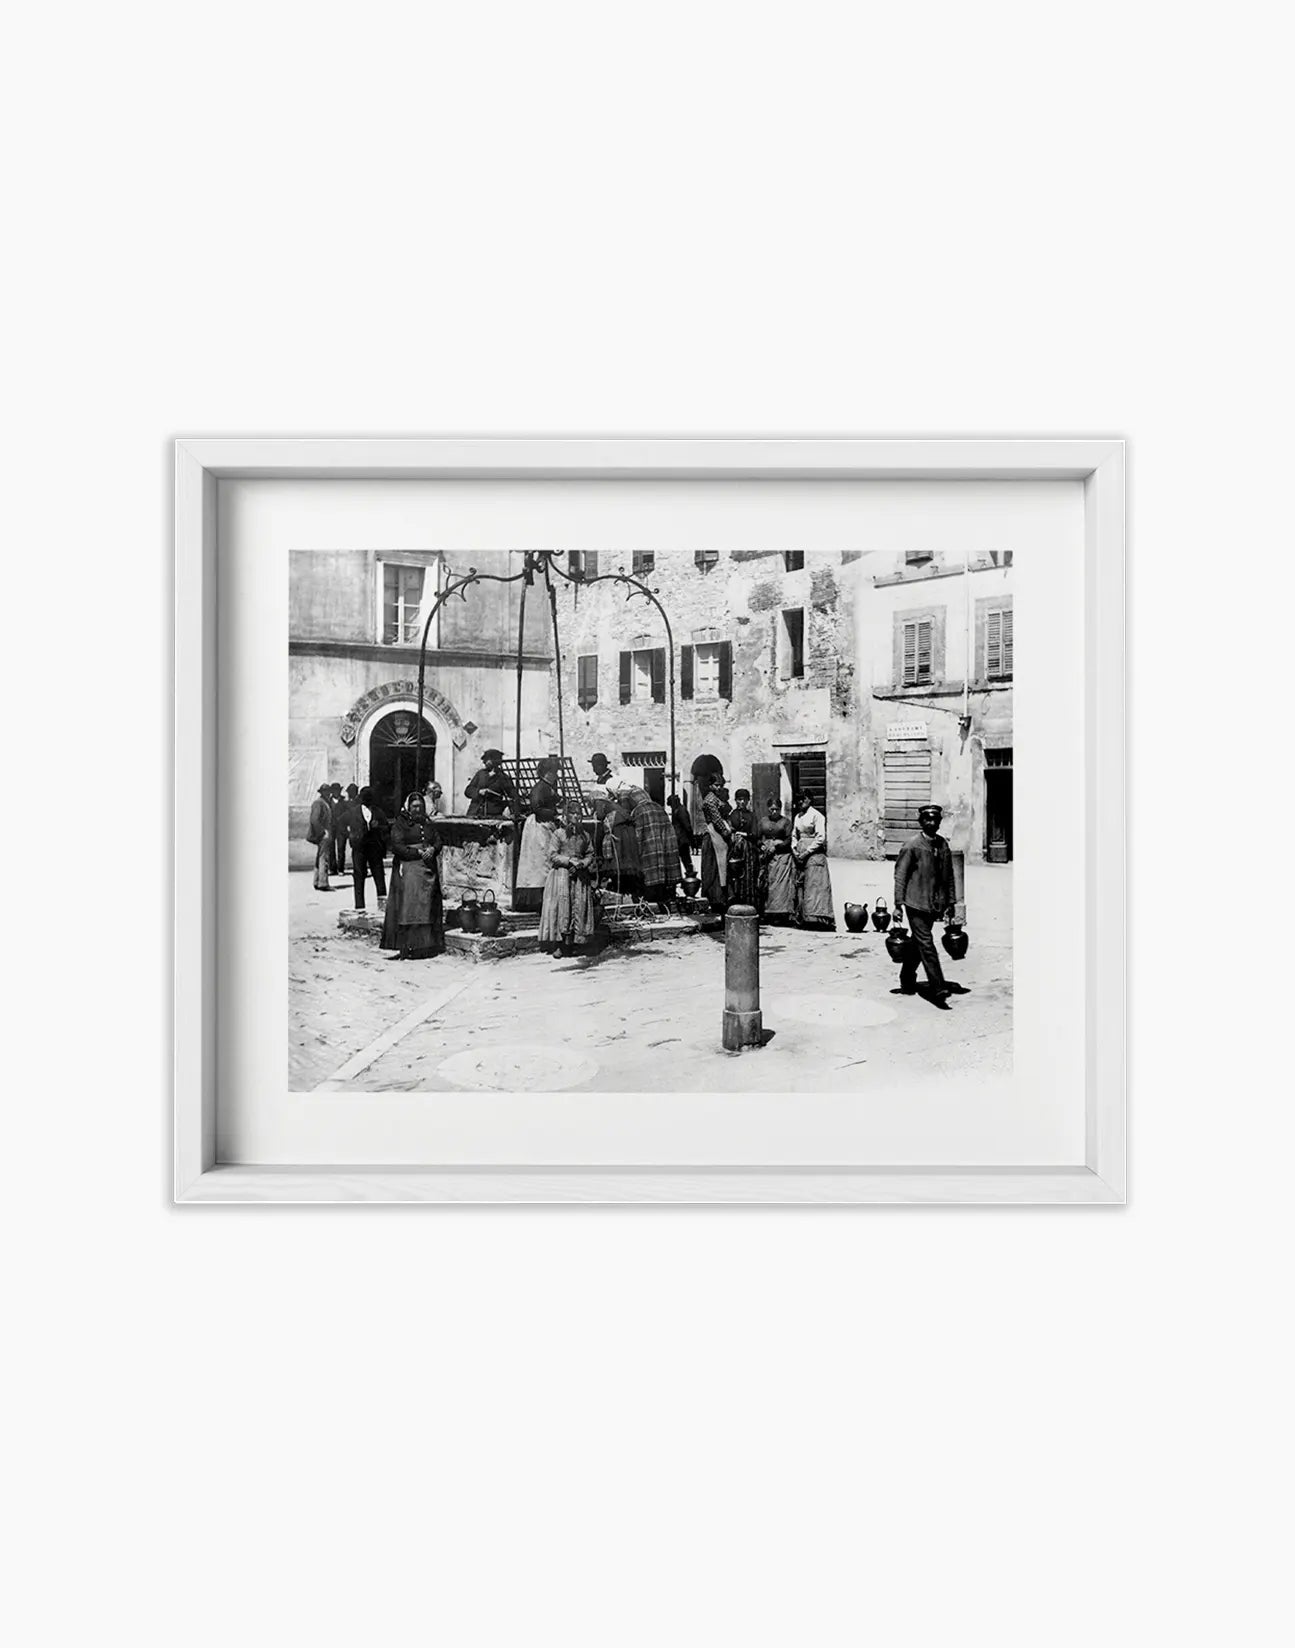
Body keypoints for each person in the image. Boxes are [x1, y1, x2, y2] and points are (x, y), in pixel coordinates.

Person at [893, 802, 956, 1008]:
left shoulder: (942, 845)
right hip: (915, 902)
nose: (931, 822)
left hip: (934, 904)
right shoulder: (912, 845)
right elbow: (900, 875)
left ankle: (907, 977)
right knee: (927, 943)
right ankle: (938, 988)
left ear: (939, 822)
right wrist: (897, 904)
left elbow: (949, 877)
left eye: (935, 819)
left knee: (918, 943)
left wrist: (951, 902)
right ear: (921, 822)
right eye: (927, 819)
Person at [380, 792, 445, 960]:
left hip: (428, 871)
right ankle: (407, 947)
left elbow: (438, 841)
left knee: (427, 907)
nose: (418, 809)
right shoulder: (400, 824)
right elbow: (397, 846)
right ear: (408, 807)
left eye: (421, 806)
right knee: (410, 909)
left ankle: (425, 946)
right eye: (415, 806)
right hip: (408, 869)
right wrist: (417, 852)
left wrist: (433, 849)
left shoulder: (428, 823)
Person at [538, 804, 599, 953]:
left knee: (579, 908)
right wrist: (569, 861)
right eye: (573, 814)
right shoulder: (558, 834)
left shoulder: (585, 835)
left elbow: (590, 854)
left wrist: (582, 863)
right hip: (562, 876)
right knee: (562, 909)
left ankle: (576, 944)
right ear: (566, 816)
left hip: (580, 876)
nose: (576, 817)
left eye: (579, 814)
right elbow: (552, 855)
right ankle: (559, 945)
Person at [608, 778, 677, 907]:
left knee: (648, 857)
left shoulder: (625, 795)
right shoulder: (639, 791)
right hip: (657, 814)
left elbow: (628, 820)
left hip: (644, 821)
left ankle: (649, 900)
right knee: (661, 853)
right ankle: (661, 895)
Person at [513, 754, 561, 911]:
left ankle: (546, 896)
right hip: (538, 826)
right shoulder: (540, 787)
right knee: (539, 862)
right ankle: (536, 899)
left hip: (545, 825)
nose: (556, 775)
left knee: (545, 861)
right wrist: (554, 813)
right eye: (554, 772)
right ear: (547, 773)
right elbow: (537, 808)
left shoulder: (548, 786)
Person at [791, 791, 836, 930]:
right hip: (799, 854)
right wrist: (794, 849)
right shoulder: (798, 817)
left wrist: (806, 852)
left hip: (814, 855)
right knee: (800, 886)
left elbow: (820, 838)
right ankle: (803, 918)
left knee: (814, 886)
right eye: (799, 800)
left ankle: (817, 919)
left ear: (810, 800)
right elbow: (794, 835)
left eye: (804, 799)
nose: (801, 802)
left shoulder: (817, 816)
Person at [691, 759, 731, 913]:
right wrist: (727, 832)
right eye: (716, 785)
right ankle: (715, 898)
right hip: (714, 834)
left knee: (721, 867)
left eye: (720, 785)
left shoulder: (719, 798)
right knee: (714, 867)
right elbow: (717, 819)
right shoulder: (710, 800)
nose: (719, 788)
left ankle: (721, 897)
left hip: (718, 834)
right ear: (710, 786)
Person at [347, 785, 389, 911]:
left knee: (379, 875)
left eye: (369, 797)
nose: (367, 799)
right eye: (365, 797)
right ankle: (359, 907)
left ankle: (382, 906)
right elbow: (341, 823)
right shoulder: (353, 812)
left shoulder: (378, 812)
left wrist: (378, 828)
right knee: (359, 875)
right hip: (359, 849)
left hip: (374, 848)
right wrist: (352, 837)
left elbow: (387, 828)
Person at [758, 794, 795, 922]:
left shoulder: (785, 822)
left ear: (780, 809)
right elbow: (758, 837)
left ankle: (781, 913)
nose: (774, 811)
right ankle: (767, 912)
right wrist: (761, 846)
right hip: (767, 857)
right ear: (768, 809)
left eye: (777, 809)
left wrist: (777, 847)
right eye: (772, 809)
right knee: (766, 883)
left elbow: (789, 839)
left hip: (781, 856)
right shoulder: (763, 821)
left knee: (780, 885)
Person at [725, 788, 760, 908]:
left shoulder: (751, 815)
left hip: (749, 849)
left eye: (745, 800)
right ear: (735, 801)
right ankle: (735, 902)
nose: (742, 802)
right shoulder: (732, 815)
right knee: (735, 875)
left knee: (749, 875)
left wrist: (745, 834)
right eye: (739, 800)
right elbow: (729, 830)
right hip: (735, 849)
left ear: (748, 801)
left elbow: (755, 833)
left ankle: (750, 904)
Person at [464, 749, 517, 817]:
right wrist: (479, 791)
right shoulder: (480, 774)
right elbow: (468, 791)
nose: (484, 762)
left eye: (486, 760)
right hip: (474, 812)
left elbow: (513, 796)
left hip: (492, 815)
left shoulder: (503, 777)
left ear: (495, 761)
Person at [306, 784, 333, 891]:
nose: (328, 793)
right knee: (324, 858)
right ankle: (323, 883)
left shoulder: (325, 803)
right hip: (322, 835)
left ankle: (317, 881)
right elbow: (314, 820)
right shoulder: (319, 803)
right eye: (326, 791)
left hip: (324, 833)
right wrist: (322, 832)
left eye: (329, 791)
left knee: (320, 858)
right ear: (322, 792)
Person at [667, 793, 697, 879]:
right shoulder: (678, 810)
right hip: (679, 839)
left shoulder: (681, 811)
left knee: (686, 860)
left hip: (682, 840)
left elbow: (687, 827)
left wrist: (692, 841)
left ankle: (690, 877)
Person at [328, 783, 347, 873]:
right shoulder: (328, 801)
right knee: (331, 848)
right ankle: (332, 868)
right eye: (334, 790)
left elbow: (348, 814)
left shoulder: (344, 802)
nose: (336, 792)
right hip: (331, 827)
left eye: (338, 790)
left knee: (341, 848)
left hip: (342, 827)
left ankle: (341, 868)